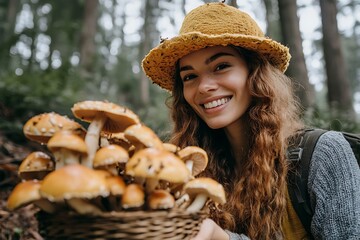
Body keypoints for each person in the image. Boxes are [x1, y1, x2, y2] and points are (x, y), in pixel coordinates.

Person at [141, 2, 360, 240]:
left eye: (221, 66)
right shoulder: (188, 170)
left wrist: (221, 237)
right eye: (190, 76)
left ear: (255, 72)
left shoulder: (322, 155)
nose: (204, 86)